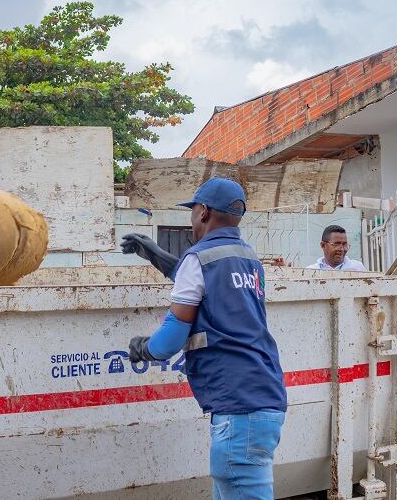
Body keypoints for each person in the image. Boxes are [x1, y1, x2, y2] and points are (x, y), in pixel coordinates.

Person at [120, 178, 286, 500]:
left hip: (238, 409)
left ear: (205, 212)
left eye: (193, 211)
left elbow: (168, 341)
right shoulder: (248, 257)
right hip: (262, 399)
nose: (191, 219)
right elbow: (205, 283)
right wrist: (156, 255)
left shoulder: (199, 258)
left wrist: (143, 348)